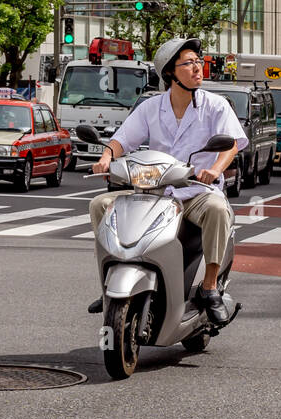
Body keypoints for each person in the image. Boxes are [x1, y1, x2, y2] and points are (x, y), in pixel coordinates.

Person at [87, 38, 248, 324]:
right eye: (189, 63)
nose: (198, 67)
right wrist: (107, 156)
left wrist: (214, 169)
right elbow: (123, 139)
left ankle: (210, 287)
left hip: (196, 191)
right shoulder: (151, 107)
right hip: (155, 192)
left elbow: (231, 145)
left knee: (218, 209)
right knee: (101, 205)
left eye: (199, 61)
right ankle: (109, 283)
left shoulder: (215, 105)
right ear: (170, 73)